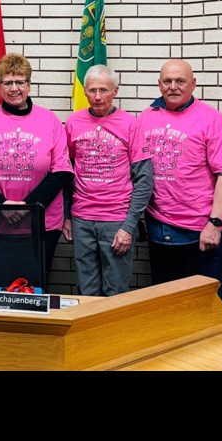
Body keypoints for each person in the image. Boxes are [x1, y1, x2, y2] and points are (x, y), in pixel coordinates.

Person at [0, 53, 74, 286]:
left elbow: (62, 171)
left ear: (29, 85)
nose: (14, 88)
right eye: (7, 82)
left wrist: (28, 208)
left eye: (20, 82)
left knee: (30, 294)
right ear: (0, 86)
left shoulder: (50, 120)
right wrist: (1, 206)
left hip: (39, 226)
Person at [139, 59, 222, 316]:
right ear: (159, 85)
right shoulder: (147, 117)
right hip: (158, 229)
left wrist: (215, 224)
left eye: (180, 81)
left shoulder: (212, 120)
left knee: (210, 307)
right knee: (167, 309)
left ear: (193, 84)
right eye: (167, 81)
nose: (173, 87)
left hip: (199, 232)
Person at [64, 64, 152, 296]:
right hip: (82, 218)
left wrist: (129, 226)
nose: (98, 97)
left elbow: (144, 179)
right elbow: (66, 173)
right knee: (87, 290)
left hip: (117, 220)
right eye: (92, 90)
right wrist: (66, 217)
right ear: (84, 92)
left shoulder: (131, 124)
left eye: (104, 90)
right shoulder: (73, 123)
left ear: (116, 91)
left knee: (116, 292)